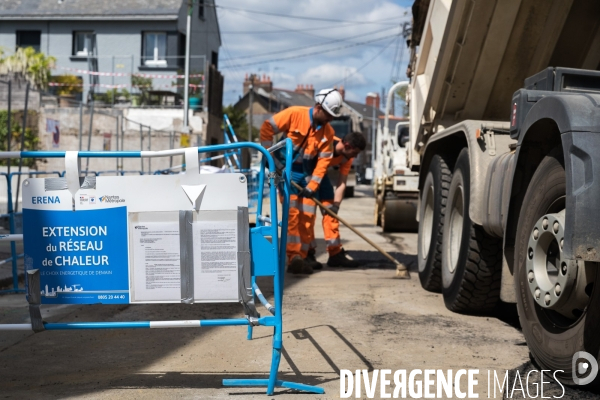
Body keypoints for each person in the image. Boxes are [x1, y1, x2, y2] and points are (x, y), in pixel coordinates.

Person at [260, 88, 343, 275]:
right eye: (328, 115)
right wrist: (270, 158)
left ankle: (304, 257)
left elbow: (323, 162)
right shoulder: (294, 114)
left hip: (305, 176)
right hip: (284, 171)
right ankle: (293, 256)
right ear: (319, 107)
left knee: (307, 218)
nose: (330, 119)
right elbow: (267, 128)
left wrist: (313, 186)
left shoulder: (328, 133)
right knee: (292, 215)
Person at [306, 132, 366, 268]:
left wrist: (336, 206)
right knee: (308, 215)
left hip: (321, 177)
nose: (355, 157)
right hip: (307, 174)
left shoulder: (346, 157)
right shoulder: (324, 142)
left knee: (331, 216)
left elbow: (342, 183)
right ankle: (307, 254)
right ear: (347, 145)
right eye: (355, 152)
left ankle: (335, 254)